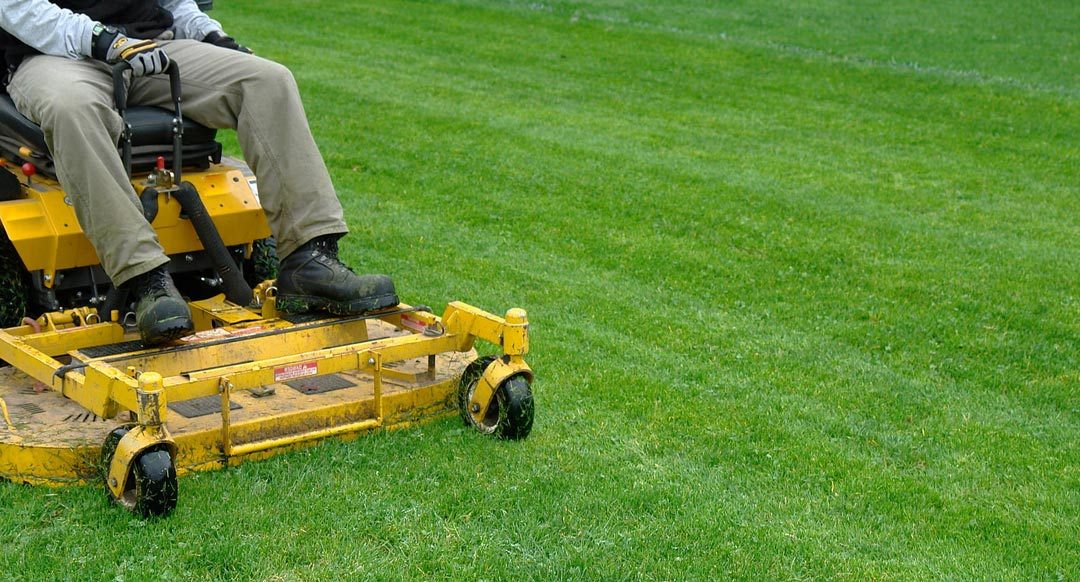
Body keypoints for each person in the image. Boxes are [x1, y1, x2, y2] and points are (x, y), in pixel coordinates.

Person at [0, 0, 398, 345]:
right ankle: (145, 281)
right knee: (72, 109)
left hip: (151, 48)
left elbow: (175, 4)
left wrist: (211, 37)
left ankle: (310, 257)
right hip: (54, 57)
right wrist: (103, 40)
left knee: (268, 80)